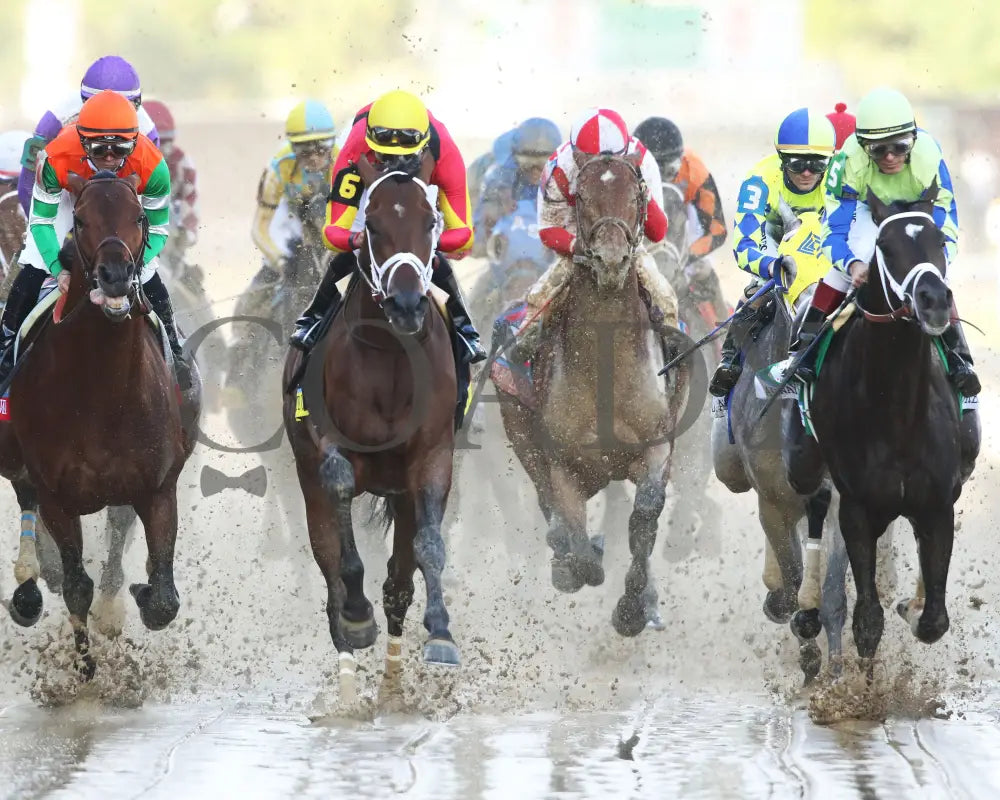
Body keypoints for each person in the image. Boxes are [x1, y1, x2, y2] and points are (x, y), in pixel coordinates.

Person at [789, 87, 978, 396]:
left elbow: (946, 219)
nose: (890, 157)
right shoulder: (847, 164)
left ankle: (959, 358)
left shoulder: (930, 156)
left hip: (919, 207)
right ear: (863, 147)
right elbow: (835, 229)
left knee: (933, 275)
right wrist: (851, 263)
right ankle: (805, 351)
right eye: (878, 150)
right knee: (851, 263)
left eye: (900, 147)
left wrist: (938, 260)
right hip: (867, 208)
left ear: (913, 140)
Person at [0, 91, 186, 385]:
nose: (110, 157)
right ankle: (5, 348)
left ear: (135, 142)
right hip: (66, 197)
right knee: (34, 260)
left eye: (120, 148)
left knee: (149, 271)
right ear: (83, 141)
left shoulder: (152, 164)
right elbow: (41, 222)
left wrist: (137, 266)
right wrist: (58, 269)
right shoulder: (56, 156)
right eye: (100, 149)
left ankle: (175, 352)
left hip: (122, 204)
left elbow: (159, 229)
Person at [289, 88, 486, 363]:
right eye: (385, 155)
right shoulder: (355, 148)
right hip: (370, 187)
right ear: (371, 143)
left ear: (423, 144)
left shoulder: (444, 151)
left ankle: (465, 328)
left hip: (420, 185)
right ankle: (315, 316)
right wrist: (354, 241)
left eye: (403, 156)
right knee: (354, 251)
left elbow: (463, 235)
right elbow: (333, 232)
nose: (394, 163)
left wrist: (426, 241)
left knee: (427, 252)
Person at [519, 107, 678, 349]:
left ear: (625, 154)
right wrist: (577, 246)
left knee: (666, 301)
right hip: (578, 244)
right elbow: (548, 228)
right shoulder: (559, 168)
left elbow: (657, 232)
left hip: (629, 245)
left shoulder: (643, 162)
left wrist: (642, 191)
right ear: (577, 156)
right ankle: (524, 363)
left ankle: (676, 365)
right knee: (537, 303)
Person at [708, 108, 835, 397]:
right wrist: (770, 266)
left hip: (820, 244)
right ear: (781, 159)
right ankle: (729, 361)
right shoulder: (759, 180)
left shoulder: (838, 178)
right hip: (773, 242)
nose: (807, 172)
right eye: (798, 163)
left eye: (817, 165)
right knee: (758, 292)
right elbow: (744, 245)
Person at [17, 55, 158, 216]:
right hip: (65, 194)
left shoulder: (148, 132)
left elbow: (151, 198)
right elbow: (28, 184)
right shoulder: (56, 119)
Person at [632, 116, 728, 319]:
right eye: (651, 170)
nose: (658, 178)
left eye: (667, 170)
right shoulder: (626, 169)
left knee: (705, 273)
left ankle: (725, 337)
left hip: (682, 235)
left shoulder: (694, 170)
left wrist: (687, 257)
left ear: (680, 159)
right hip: (641, 233)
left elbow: (717, 230)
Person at [250, 100, 338, 289]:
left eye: (322, 147)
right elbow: (260, 229)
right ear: (292, 146)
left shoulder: (343, 162)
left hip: (330, 217)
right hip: (290, 217)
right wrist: (280, 262)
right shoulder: (279, 167)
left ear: (332, 142)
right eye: (304, 150)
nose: (314, 157)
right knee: (257, 292)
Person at [474, 117, 561, 247]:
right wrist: (501, 191)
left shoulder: (562, 173)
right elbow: (495, 179)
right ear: (516, 158)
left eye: (541, 164)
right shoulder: (503, 171)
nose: (535, 170)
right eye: (529, 163)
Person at [143, 99, 199, 278]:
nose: (163, 150)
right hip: (132, 253)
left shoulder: (183, 163)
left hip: (170, 252)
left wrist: (184, 240)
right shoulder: (123, 164)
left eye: (167, 142)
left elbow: (190, 211)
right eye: (157, 143)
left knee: (195, 285)